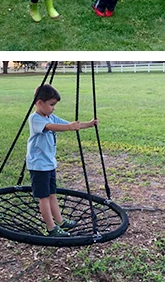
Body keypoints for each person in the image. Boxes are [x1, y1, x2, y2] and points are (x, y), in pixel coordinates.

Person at [27, 83, 98, 237]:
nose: (54, 108)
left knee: (52, 193)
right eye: (51, 104)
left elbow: (68, 124)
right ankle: (52, 229)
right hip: (38, 166)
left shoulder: (49, 115)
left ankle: (60, 221)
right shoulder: (35, 119)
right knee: (44, 198)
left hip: (49, 164)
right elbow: (53, 127)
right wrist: (70, 128)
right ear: (39, 103)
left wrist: (89, 124)